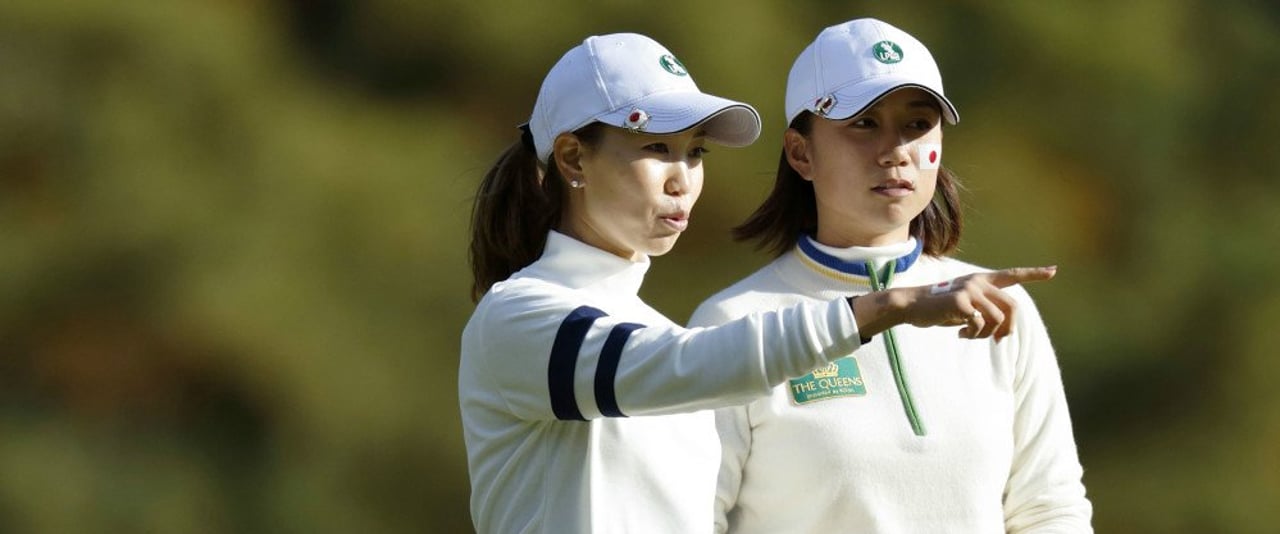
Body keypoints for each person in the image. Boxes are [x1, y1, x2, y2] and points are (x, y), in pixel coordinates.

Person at [460, 31, 1056, 534]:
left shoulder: (656, 329)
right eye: (657, 147)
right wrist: (886, 307)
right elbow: (679, 365)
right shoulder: (518, 315)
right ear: (572, 159)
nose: (683, 179)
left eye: (695, 152)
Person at [688, 18, 1093, 533]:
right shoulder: (732, 322)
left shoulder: (998, 307)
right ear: (800, 153)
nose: (895, 151)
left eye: (917, 124)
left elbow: (1049, 509)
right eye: (864, 123)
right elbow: (691, 517)